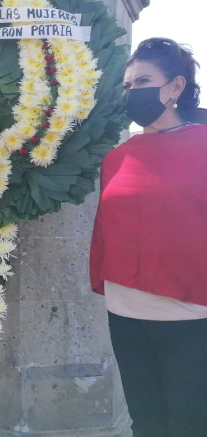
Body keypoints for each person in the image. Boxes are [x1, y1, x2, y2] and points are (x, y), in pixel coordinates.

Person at [90, 37, 207, 437]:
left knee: (190, 424)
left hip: (191, 314)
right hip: (126, 311)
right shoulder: (117, 157)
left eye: (143, 81)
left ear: (175, 87)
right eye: (127, 85)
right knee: (147, 421)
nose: (132, 93)